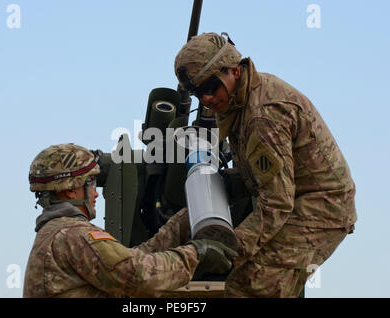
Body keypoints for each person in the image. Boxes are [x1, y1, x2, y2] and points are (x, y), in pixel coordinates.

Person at [174, 32, 357, 297]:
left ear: (233, 70)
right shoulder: (242, 101)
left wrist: (229, 249)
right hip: (288, 193)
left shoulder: (262, 116)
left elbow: (277, 202)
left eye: (210, 88)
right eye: (198, 93)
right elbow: (259, 175)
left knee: (252, 285)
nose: (206, 100)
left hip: (321, 206)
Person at [23, 143, 237, 298]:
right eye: (90, 183)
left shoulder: (57, 234)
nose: (95, 194)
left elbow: (133, 258)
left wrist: (187, 215)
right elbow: (140, 275)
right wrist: (197, 254)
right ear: (70, 190)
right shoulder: (73, 236)